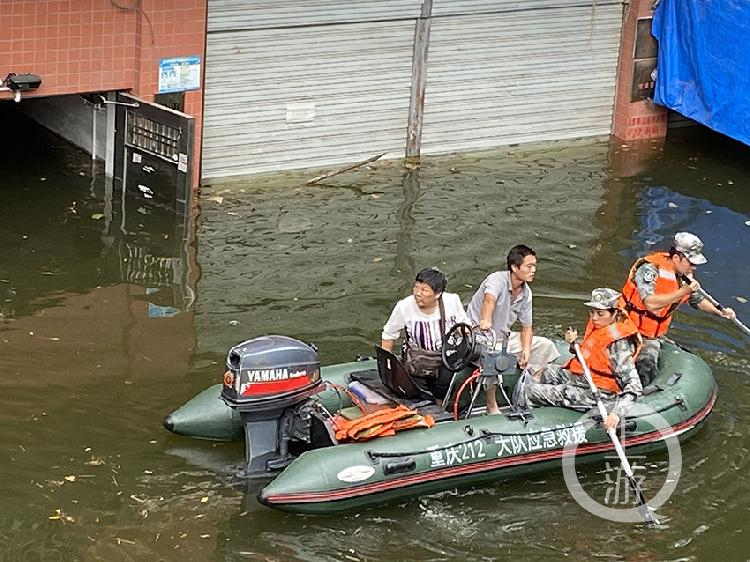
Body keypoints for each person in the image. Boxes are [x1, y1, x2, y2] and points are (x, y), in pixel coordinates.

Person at [621, 232, 736, 385]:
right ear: (677, 257)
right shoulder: (649, 270)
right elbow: (650, 303)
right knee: (646, 364)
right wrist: (684, 291)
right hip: (628, 329)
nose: (693, 267)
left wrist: (719, 312)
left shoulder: (683, 275)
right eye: (690, 262)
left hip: (652, 334)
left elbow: (696, 300)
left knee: (655, 361)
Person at [523, 288, 643, 429]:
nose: (594, 317)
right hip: (584, 377)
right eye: (592, 312)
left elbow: (634, 385)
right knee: (545, 371)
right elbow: (591, 357)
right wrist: (573, 345)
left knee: (531, 391)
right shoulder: (599, 327)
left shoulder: (619, 345)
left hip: (600, 392)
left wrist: (616, 413)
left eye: (600, 313)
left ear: (615, 312)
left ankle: (529, 424)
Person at [467, 244, 559, 414]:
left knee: (546, 346)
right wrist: (485, 320)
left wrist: (525, 350)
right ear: (515, 267)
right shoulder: (496, 280)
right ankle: (491, 405)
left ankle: (531, 390)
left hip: (502, 337)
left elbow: (527, 326)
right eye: (529, 266)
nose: (533, 270)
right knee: (493, 356)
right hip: (477, 335)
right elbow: (489, 300)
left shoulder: (527, 293)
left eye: (534, 266)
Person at [381, 266, 469, 400]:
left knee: (444, 385)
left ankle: (441, 403)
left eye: (424, 290)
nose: (418, 293)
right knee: (419, 391)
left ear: (438, 293)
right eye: (416, 287)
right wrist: (387, 362)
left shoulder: (452, 301)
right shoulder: (404, 306)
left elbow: (464, 326)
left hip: (445, 354)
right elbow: (389, 333)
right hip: (417, 357)